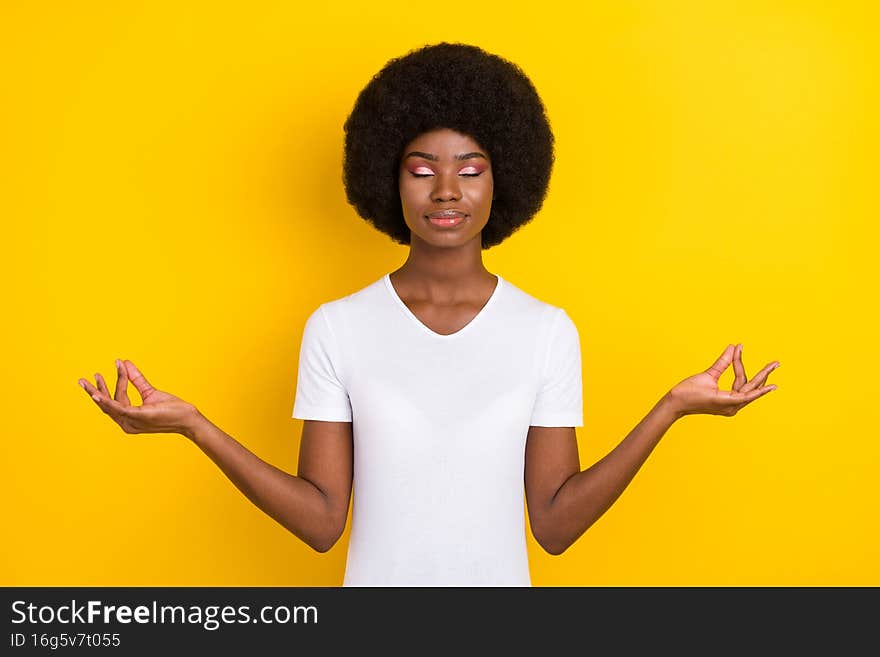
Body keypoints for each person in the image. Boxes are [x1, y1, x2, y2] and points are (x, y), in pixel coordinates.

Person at [78, 42, 780, 586]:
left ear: (504, 175)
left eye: (470, 168)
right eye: (422, 168)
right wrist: (195, 426)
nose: (447, 190)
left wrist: (670, 408)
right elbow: (322, 520)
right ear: (388, 176)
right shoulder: (339, 327)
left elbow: (555, 524)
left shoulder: (545, 331)